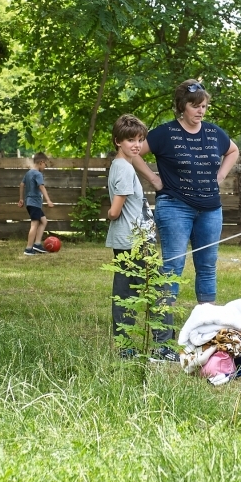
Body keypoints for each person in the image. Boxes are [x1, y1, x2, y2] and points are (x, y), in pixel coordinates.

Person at [132, 79, 239, 360]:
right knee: (172, 269)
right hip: (175, 207)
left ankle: (208, 338)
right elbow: (133, 152)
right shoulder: (164, 134)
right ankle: (162, 343)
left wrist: (221, 176)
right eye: (195, 106)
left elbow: (233, 150)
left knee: (207, 268)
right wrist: (154, 178)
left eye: (204, 106)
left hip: (210, 210)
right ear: (182, 106)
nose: (201, 111)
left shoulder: (215, 134)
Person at [105, 114, 156, 358]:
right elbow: (115, 211)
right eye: (130, 140)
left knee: (132, 290)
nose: (136, 145)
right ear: (117, 141)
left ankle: (128, 341)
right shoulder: (125, 169)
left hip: (134, 238)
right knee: (127, 292)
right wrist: (110, 213)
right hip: (131, 240)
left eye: (140, 139)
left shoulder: (119, 165)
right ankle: (124, 346)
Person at [18, 152, 54, 255]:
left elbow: (21, 185)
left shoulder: (29, 173)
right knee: (34, 224)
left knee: (43, 221)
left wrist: (21, 199)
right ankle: (28, 249)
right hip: (34, 202)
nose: (45, 167)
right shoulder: (38, 174)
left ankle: (37, 244)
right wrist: (48, 200)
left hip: (30, 203)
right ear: (41, 162)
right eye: (45, 164)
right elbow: (41, 187)